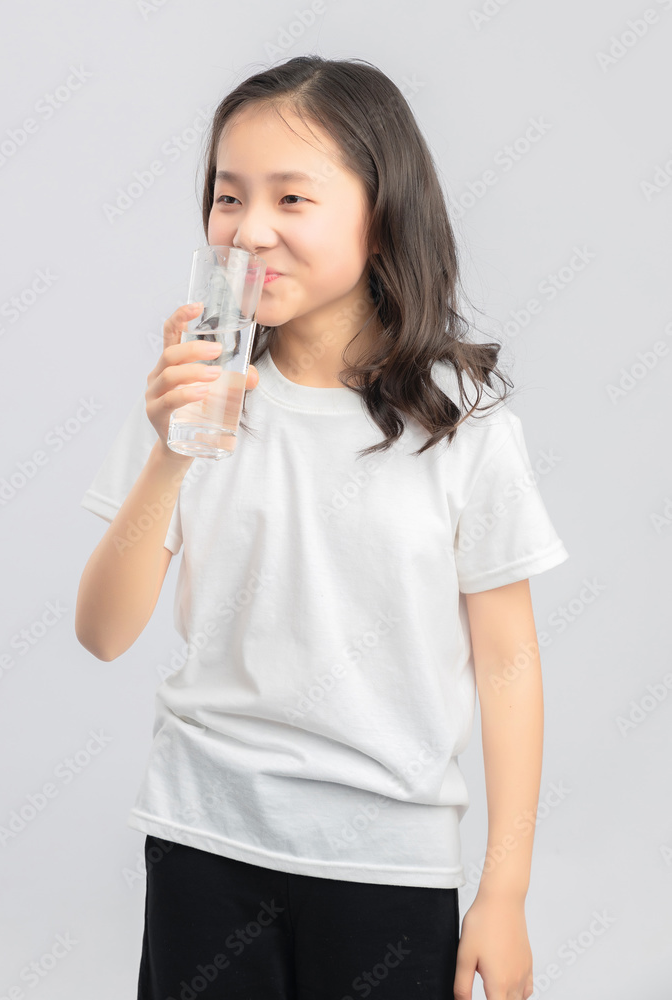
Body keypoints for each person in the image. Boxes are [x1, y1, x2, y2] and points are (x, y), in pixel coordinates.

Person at [76, 55, 569, 1000]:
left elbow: (509, 663)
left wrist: (503, 894)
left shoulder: (462, 426)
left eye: (292, 198)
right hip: (202, 840)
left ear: (381, 213)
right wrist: (171, 452)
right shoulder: (186, 398)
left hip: (388, 866)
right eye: (228, 196)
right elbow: (102, 635)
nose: (249, 229)